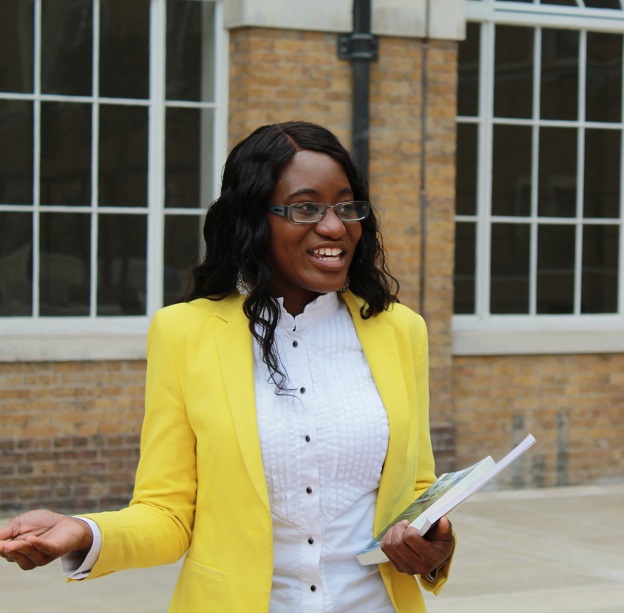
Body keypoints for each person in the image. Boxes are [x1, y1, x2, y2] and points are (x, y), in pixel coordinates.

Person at [0, 121, 455, 612]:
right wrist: (85, 532)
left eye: (347, 206)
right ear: (253, 220)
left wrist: (434, 547)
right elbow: (167, 514)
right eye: (306, 208)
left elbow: (417, 489)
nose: (334, 227)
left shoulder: (400, 331)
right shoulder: (185, 333)